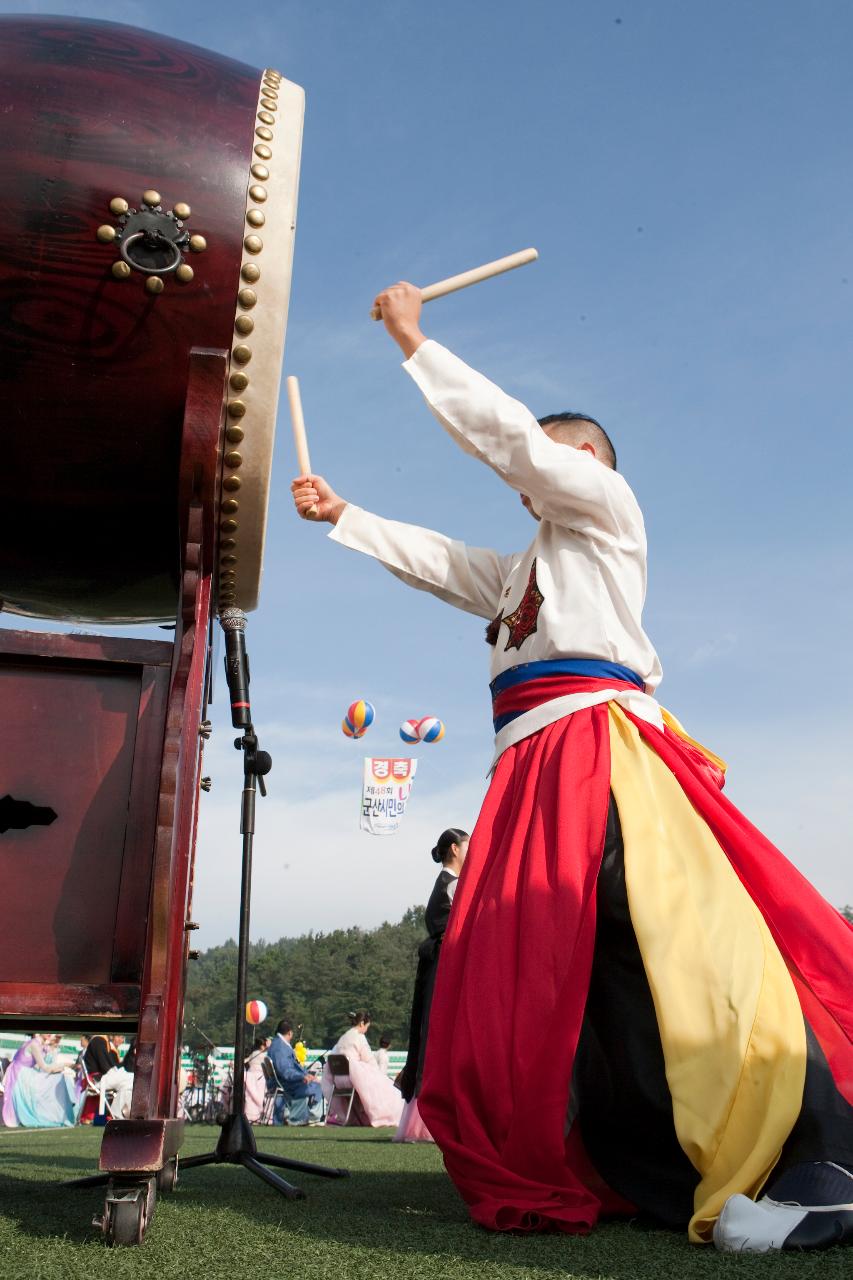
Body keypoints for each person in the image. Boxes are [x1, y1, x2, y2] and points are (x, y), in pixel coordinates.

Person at [291, 282, 853, 1252]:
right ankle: (657, 1168)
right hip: (531, 765)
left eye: (551, 456)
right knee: (583, 974)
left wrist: (416, 345)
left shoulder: (604, 512)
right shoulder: (522, 569)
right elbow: (436, 560)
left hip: (603, 743)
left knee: (679, 947)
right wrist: (345, 513)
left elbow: (513, 439)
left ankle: (821, 1158)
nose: (528, 475)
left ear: (584, 459)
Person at [396, 829, 469, 1144]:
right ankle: (431, 1118)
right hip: (444, 968)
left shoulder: (446, 884)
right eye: (468, 847)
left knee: (433, 1035)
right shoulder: (452, 886)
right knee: (440, 1036)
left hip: (438, 966)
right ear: (455, 849)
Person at [323, 1011, 404, 1128]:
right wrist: (379, 1075)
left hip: (338, 1078)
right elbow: (369, 1059)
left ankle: (359, 1116)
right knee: (386, 1085)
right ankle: (381, 1115)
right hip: (352, 1077)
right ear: (362, 1024)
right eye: (367, 1027)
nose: (366, 1030)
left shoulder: (343, 1037)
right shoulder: (359, 1037)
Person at [1, 1032, 83, 1127]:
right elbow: (44, 1067)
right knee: (59, 1079)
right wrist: (66, 1066)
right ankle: (58, 1115)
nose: (49, 1033)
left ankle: (62, 1113)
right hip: (20, 1076)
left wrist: (66, 1066)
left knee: (61, 1078)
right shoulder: (34, 1044)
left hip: (27, 1074)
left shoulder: (41, 1045)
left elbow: (43, 1067)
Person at [267, 1020, 323, 1125]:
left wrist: (305, 1074)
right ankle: (311, 1119)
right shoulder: (280, 1047)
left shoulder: (277, 1044)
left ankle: (305, 1117)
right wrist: (302, 1076)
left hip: (282, 1081)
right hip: (286, 1083)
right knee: (316, 1086)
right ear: (289, 1033)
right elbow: (285, 1071)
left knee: (315, 1083)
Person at [244, 1034, 270, 1124]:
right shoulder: (263, 1055)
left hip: (250, 1077)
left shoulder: (253, 1054)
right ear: (262, 1046)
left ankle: (250, 1116)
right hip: (259, 1078)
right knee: (260, 1097)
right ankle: (262, 1117)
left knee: (250, 1099)